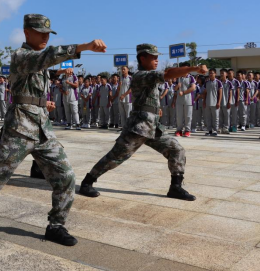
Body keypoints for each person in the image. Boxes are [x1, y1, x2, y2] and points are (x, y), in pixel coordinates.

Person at [0, 13, 107, 247]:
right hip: (19, 129)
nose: (45, 37)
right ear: (27, 33)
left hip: (42, 129)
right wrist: (84, 46)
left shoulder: (39, 61)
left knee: (65, 176)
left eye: (48, 33)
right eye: (41, 32)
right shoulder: (21, 56)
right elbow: (47, 57)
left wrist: (41, 102)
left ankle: (56, 225)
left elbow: (34, 87)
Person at [79, 44, 205, 202]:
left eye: (158, 57)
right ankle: (87, 182)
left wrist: (156, 109)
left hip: (153, 127)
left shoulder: (150, 76)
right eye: (154, 57)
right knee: (115, 157)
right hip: (138, 128)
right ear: (142, 58)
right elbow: (167, 74)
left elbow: (150, 97)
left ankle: (176, 187)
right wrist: (192, 68)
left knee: (176, 150)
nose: (157, 60)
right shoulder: (140, 75)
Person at [173, 70, 196, 137]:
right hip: (179, 100)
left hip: (188, 99)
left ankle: (187, 130)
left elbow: (193, 88)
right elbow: (175, 88)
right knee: (179, 116)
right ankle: (179, 130)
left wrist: (183, 92)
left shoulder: (191, 78)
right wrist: (178, 85)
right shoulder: (178, 78)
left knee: (188, 116)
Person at [202, 69, 223, 136]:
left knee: (215, 117)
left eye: (212, 73)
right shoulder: (207, 82)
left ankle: (215, 130)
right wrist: (204, 101)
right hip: (208, 102)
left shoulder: (218, 82)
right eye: (210, 73)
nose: (211, 74)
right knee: (208, 117)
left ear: (215, 74)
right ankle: (209, 130)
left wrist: (219, 102)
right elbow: (205, 93)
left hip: (215, 102)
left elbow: (220, 93)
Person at [219, 69, 232, 134]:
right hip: (219, 102)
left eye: (222, 73)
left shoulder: (229, 83)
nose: (221, 74)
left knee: (227, 116)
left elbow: (231, 93)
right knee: (220, 116)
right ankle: (220, 128)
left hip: (226, 102)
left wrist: (229, 102)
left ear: (226, 74)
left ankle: (226, 128)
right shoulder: (218, 82)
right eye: (220, 73)